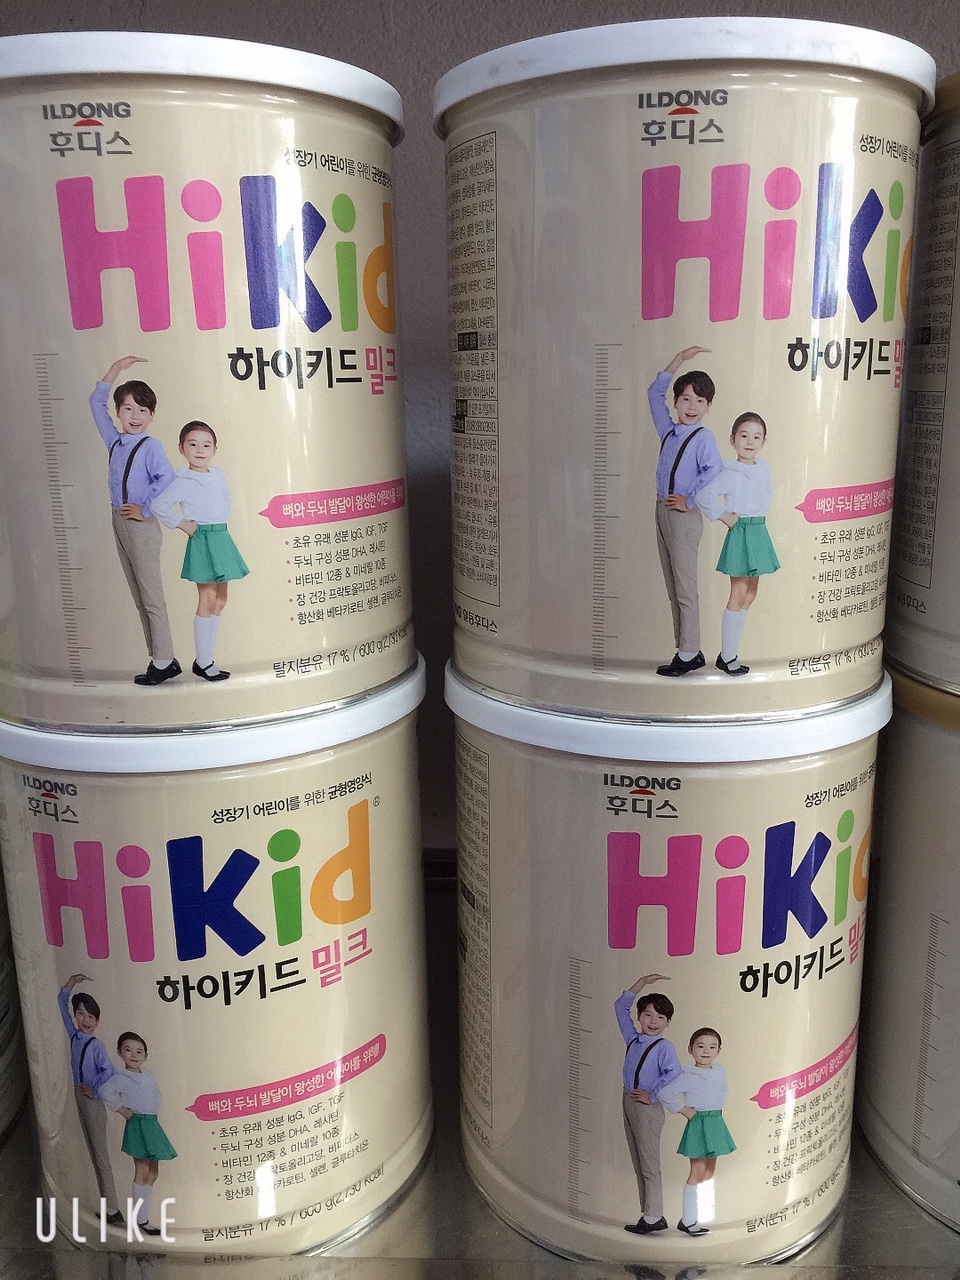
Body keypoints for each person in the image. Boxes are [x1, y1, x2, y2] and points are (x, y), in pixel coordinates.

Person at [89, 356, 180, 687]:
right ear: (118, 412)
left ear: (152, 415)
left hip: (140, 525)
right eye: (128, 409)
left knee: (151, 596)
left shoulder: (150, 446)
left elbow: (167, 479)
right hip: (119, 521)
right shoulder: (115, 441)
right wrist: (114, 370)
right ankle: (159, 658)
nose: (135, 416)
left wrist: (145, 508)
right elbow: (95, 403)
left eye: (143, 410)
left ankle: (164, 660)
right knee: (139, 595)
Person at [150, 421, 249, 682]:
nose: (200, 450)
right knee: (207, 597)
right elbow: (159, 505)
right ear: (181, 448)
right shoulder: (182, 480)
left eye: (206, 445)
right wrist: (184, 524)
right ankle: (204, 662)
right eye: (193, 444)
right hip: (203, 538)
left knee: (221, 599)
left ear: (215, 448)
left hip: (221, 536)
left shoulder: (217, 474)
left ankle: (205, 659)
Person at [647, 347, 723, 677]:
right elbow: (654, 393)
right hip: (662, 511)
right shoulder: (669, 431)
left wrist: (689, 501)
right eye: (686, 399)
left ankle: (690, 652)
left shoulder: (703, 438)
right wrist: (678, 359)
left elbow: (715, 470)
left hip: (683, 518)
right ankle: (685, 648)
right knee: (672, 584)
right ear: (676, 402)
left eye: (699, 401)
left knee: (685, 588)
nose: (692, 407)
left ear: (708, 406)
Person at [695, 413, 779, 676]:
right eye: (744, 436)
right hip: (741, 531)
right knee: (738, 593)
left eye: (756, 437)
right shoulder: (730, 472)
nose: (750, 442)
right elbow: (704, 496)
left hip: (758, 530)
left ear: (764, 441)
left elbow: (765, 496)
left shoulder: (763, 468)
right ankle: (728, 655)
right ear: (733, 440)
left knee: (751, 594)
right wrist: (724, 515)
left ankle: (731, 652)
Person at [615, 974, 683, 1235]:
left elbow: (674, 1073)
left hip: (647, 1108)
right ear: (640, 1017)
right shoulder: (633, 1039)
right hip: (628, 1101)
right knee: (638, 1161)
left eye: (660, 1017)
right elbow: (620, 1007)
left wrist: (651, 1095)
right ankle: (649, 1214)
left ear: (668, 1022)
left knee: (649, 1164)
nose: (653, 1022)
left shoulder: (664, 1047)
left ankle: (654, 1216)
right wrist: (641, 983)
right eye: (648, 1015)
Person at [57, 974, 122, 1226]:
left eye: (91, 1017)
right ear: (75, 1015)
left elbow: (109, 1072)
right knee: (93, 1153)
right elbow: (61, 1003)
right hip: (79, 1094)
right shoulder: (74, 1036)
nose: (85, 1020)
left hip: (92, 1101)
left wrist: (93, 1090)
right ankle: (108, 1207)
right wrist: (71, 982)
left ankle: (113, 1209)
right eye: (81, 1013)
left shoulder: (96, 1046)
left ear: (97, 1022)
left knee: (101, 1155)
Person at [659, 1027, 736, 1237]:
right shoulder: (688, 1075)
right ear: (690, 1049)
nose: (706, 1051)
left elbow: (723, 1090)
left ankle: (698, 1214)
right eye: (700, 1046)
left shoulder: (719, 1071)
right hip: (699, 1122)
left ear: (719, 1050)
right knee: (697, 1171)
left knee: (709, 1172)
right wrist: (684, 1109)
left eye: (712, 1047)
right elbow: (665, 1093)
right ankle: (688, 1220)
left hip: (716, 1121)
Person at [100, 1032, 177, 1238]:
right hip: (138, 1124)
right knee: (142, 1170)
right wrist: (122, 1110)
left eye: (139, 1051)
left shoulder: (148, 1075)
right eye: (128, 1050)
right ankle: (140, 1219)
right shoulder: (121, 1077)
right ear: (119, 1052)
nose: (133, 1055)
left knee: (153, 1172)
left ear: (145, 1055)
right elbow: (105, 1091)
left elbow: (155, 1095)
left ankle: (141, 1217)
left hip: (152, 1123)